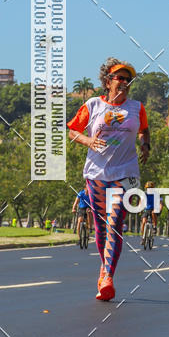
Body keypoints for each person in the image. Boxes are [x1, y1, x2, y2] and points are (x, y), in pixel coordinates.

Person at [67, 58, 150, 301]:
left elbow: (144, 129)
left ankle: (108, 278)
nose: (124, 82)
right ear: (107, 82)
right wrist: (89, 141)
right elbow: (73, 130)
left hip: (126, 173)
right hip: (96, 174)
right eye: (119, 78)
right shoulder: (93, 105)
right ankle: (104, 269)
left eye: (128, 79)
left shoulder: (137, 107)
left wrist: (146, 144)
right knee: (101, 226)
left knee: (115, 222)